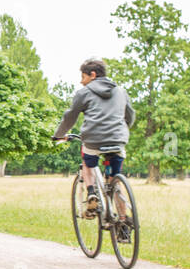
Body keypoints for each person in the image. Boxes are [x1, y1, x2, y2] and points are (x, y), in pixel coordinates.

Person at [53, 58, 135, 238]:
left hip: (93, 141)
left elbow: (70, 116)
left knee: (88, 161)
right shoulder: (121, 91)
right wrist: (121, 130)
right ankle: (122, 223)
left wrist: (59, 134)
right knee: (115, 180)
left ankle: (91, 194)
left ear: (92, 74)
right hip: (118, 139)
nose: (81, 81)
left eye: (83, 77)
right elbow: (130, 115)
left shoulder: (84, 92)